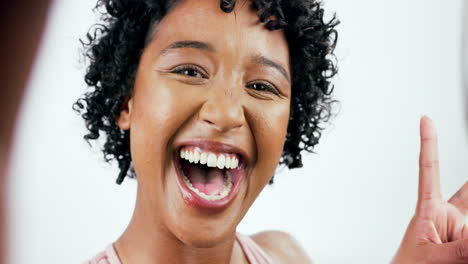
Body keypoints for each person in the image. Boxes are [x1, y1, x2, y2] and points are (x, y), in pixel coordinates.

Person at [74, 0, 468, 263]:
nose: (226, 112)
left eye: (262, 86)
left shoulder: (285, 255)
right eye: (190, 71)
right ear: (126, 100)